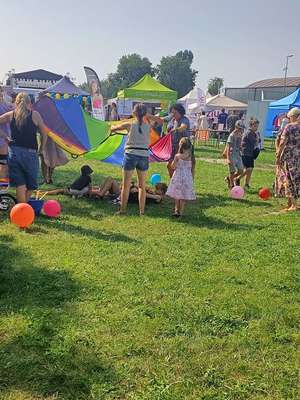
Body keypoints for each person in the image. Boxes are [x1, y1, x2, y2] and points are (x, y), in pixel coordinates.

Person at [110, 103, 163, 215]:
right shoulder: (148, 126)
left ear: (134, 113)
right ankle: (142, 212)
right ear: (145, 113)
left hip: (130, 154)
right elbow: (160, 121)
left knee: (126, 185)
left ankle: (123, 210)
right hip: (144, 156)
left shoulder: (129, 124)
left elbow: (113, 129)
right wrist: (147, 115)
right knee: (142, 186)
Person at [0, 93, 48, 203]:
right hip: (30, 153)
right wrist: (41, 148)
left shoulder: (11, 114)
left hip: (13, 153)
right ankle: (22, 209)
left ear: (16, 102)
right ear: (29, 103)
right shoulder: (35, 115)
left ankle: (20, 209)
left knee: (20, 184)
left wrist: (5, 137)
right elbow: (44, 134)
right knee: (31, 184)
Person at [276, 107, 300, 211]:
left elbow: (282, 143)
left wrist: (278, 155)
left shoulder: (289, 127)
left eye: (289, 117)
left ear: (293, 116)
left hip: (290, 156)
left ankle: (294, 205)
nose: (289, 119)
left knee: (289, 179)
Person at [166, 137, 196, 217]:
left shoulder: (177, 156)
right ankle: (181, 212)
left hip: (178, 177)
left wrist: (174, 162)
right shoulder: (192, 157)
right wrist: (192, 179)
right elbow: (193, 170)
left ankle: (176, 210)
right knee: (183, 196)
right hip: (187, 178)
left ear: (180, 146)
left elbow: (172, 167)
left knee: (177, 194)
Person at [167, 103, 191, 177]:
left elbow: (183, 127)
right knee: (169, 165)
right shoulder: (172, 120)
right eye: (172, 112)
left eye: (175, 112)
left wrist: (176, 129)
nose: (173, 114)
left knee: (179, 167)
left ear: (180, 112)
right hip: (173, 147)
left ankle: (177, 182)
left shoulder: (184, 119)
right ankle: (173, 181)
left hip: (182, 148)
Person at [237, 118, 260, 190]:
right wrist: (257, 137)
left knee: (250, 169)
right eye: (255, 126)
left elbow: (258, 141)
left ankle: (246, 184)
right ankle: (237, 178)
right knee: (249, 169)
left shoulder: (253, 133)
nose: (256, 128)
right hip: (246, 153)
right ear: (251, 126)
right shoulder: (249, 133)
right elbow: (255, 142)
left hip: (250, 153)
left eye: (257, 126)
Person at [224, 120, 244, 188]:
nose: (241, 130)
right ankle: (232, 186)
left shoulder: (240, 135)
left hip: (238, 155)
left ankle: (229, 178)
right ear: (237, 127)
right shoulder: (232, 135)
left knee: (241, 170)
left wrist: (241, 148)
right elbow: (228, 147)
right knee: (232, 171)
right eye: (240, 128)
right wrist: (228, 159)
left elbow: (239, 145)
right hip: (232, 155)